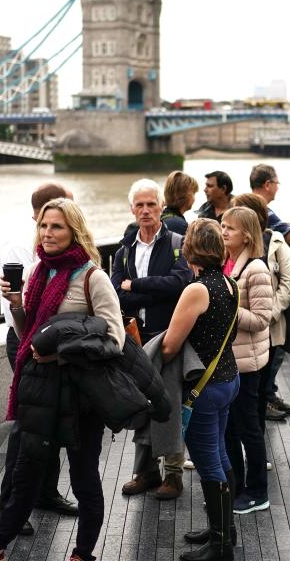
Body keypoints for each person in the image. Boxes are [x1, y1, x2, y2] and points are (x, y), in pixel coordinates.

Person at [0, 199, 124, 561]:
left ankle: (83, 553)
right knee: (26, 471)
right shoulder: (35, 273)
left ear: (74, 230)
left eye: (57, 227)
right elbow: (30, 334)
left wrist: (62, 354)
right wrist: (15, 303)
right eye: (44, 226)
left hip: (80, 397)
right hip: (41, 391)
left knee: (83, 476)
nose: (48, 233)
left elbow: (115, 340)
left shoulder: (93, 277)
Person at [0, 183, 76, 537]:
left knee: (52, 418)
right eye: (56, 218)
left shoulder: (65, 252)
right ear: (44, 213)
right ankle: (11, 509)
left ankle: (44, 493)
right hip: (24, 339)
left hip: (51, 343)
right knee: (27, 427)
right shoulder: (21, 248)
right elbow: (20, 310)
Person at [162, 219, 241, 561]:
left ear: (189, 248)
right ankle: (224, 530)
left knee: (208, 461)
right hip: (226, 379)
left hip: (202, 390)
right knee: (221, 454)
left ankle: (221, 546)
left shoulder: (197, 289)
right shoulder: (228, 282)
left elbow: (169, 346)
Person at [113, 179, 193, 500]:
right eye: (139, 205)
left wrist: (137, 286)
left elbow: (179, 284)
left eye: (151, 204)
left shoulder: (177, 242)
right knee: (141, 402)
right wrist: (144, 291)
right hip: (136, 337)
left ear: (161, 206)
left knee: (170, 402)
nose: (145, 210)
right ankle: (146, 472)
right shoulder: (124, 250)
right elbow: (118, 292)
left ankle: (173, 474)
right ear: (132, 209)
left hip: (168, 335)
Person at [219, 206, 273, 515]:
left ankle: (258, 490)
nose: (224, 231)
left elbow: (262, 319)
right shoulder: (226, 264)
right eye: (223, 225)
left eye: (231, 228)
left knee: (248, 427)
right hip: (228, 361)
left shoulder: (256, 270)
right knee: (228, 430)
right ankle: (236, 486)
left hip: (247, 364)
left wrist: (225, 305)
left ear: (247, 235)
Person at [230, 193, 290, 423]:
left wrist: (270, 312)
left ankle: (256, 434)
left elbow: (287, 283)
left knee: (260, 386)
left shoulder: (276, 241)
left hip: (270, 325)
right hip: (238, 331)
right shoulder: (230, 244)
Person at [250, 163, 290, 247]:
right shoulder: (261, 210)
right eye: (277, 183)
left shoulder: (242, 205)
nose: (277, 188)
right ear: (267, 185)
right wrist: (288, 226)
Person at [161, 170, 199, 235]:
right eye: (193, 193)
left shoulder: (163, 217)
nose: (194, 198)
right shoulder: (179, 225)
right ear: (182, 195)